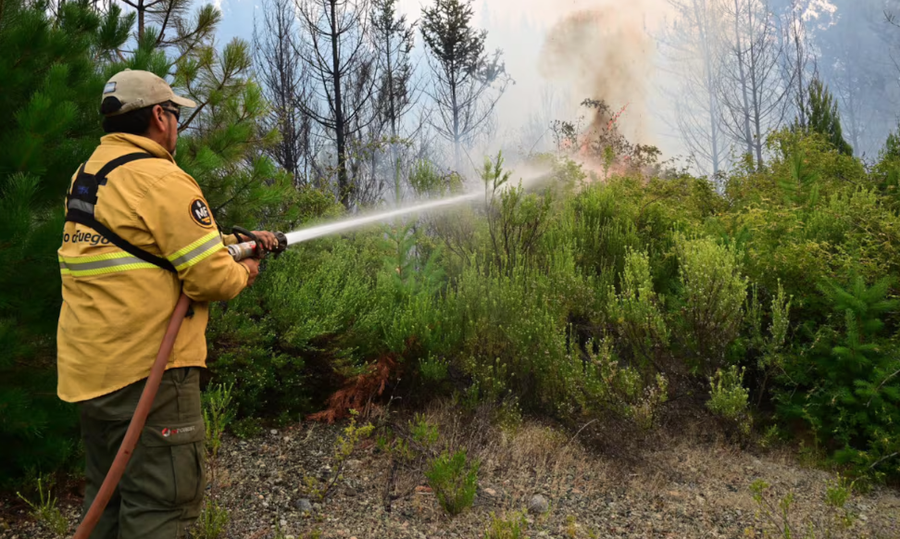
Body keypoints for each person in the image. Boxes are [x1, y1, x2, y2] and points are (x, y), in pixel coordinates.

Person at [56, 69, 276, 538]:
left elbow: (145, 246)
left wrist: (231, 241)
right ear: (159, 116)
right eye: (175, 113)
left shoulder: (91, 175)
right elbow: (211, 278)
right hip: (148, 378)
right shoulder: (160, 179)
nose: (176, 124)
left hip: (92, 374)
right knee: (161, 509)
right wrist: (243, 268)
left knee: (110, 506)